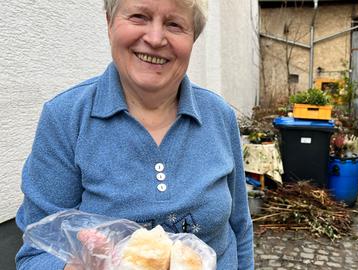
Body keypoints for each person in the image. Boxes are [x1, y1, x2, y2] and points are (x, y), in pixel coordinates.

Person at [15, 0, 254, 269]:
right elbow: (34, 254)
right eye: (139, 16)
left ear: (193, 38)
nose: (154, 39)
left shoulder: (218, 115)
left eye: (174, 24)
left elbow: (240, 228)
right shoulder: (66, 118)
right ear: (109, 23)